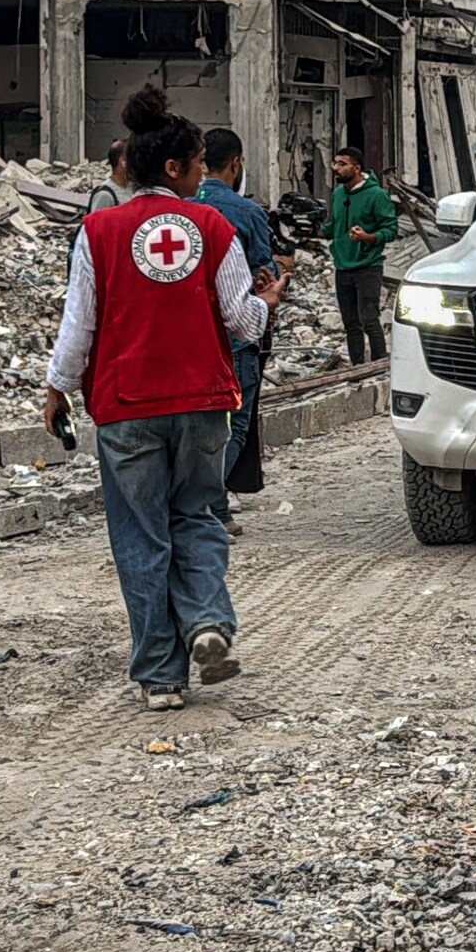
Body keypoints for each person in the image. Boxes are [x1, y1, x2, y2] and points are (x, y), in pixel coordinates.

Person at [45, 88, 287, 711]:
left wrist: (57, 389)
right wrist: (269, 304)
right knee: (198, 516)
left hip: (126, 404)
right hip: (204, 401)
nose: (207, 175)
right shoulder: (213, 227)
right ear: (175, 169)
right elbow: (240, 321)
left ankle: (160, 675)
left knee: (140, 533)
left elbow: (80, 324)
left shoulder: (97, 230)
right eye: (202, 164)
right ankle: (207, 622)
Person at [196, 127, 277, 527]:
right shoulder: (246, 213)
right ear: (237, 163)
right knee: (236, 422)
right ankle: (207, 508)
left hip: (191, 334)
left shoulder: (182, 206)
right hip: (237, 333)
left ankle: (217, 509)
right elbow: (264, 272)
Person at [327, 146, 397, 365]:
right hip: (343, 267)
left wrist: (368, 237)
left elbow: (391, 230)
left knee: (369, 320)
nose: (336, 169)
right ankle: (356, 367)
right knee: (350, 324)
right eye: (335, 164)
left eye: (342, 164)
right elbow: (332, 226)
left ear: (356, 168)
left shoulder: (376, 195)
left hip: (368, 267)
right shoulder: (338, 194)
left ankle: (378, 366)